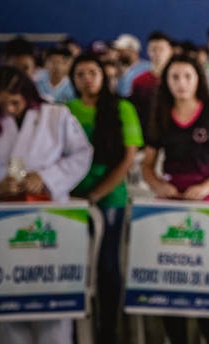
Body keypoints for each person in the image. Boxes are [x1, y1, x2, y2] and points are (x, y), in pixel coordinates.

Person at [0, 66, 93, 344]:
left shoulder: (57, 116)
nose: (9, 109)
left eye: (15, 101)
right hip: (5, 218)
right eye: (2, 103)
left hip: (51, 214)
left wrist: (46, 177)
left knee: (54, 298)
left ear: (27, 94)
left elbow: (82, 154)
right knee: (11, 298)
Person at [141, 55, 209, 344]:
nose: (181, 83)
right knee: (172, 281)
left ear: (198, 80)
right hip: (170, 206)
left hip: (207, 205)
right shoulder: (160, 115)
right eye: (175, 77)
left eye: (187, 76)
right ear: (166, 82)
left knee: (206, 281)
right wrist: (159, 185)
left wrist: (206, 187)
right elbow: (147, 166)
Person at [67, 53, 143, 344]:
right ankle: (75, 327)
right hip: (72, 196)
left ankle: (108, 328)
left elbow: (128, 159)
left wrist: (96, 194)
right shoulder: (66, 110)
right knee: (74, 262)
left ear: (104, 76)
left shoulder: (122, 108)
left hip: (110, 196)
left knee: (107, 264)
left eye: (93, 73)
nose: (87, 79)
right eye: (80, 74)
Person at [129, 31, 173, 138]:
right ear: (148, 51)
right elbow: (134, 112)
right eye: (153, 49)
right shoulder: (139, 81)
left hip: (172, 135)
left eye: (161, 49)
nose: (157, 53)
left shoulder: (177, 80)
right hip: (146, 135)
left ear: (170, 51)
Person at [113, 33, 152, 97]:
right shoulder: (118, 69)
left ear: (132, 51)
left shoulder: (148, 68)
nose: (118, 54)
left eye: (121, 51)